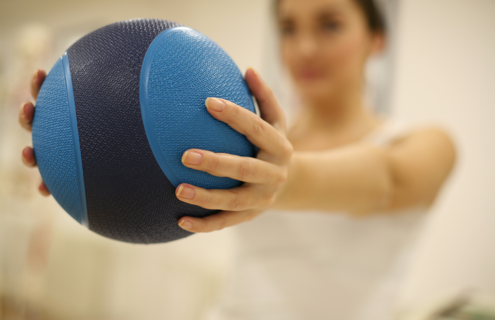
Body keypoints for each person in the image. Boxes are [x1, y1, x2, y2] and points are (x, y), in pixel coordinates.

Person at [19, 0, 456, 318]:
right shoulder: (237, 140)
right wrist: (77, 157)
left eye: (330, 25)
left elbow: (387, 182)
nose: (304, 47)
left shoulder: (426, 143)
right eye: (288, 28)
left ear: (377, 40)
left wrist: (283, 177)